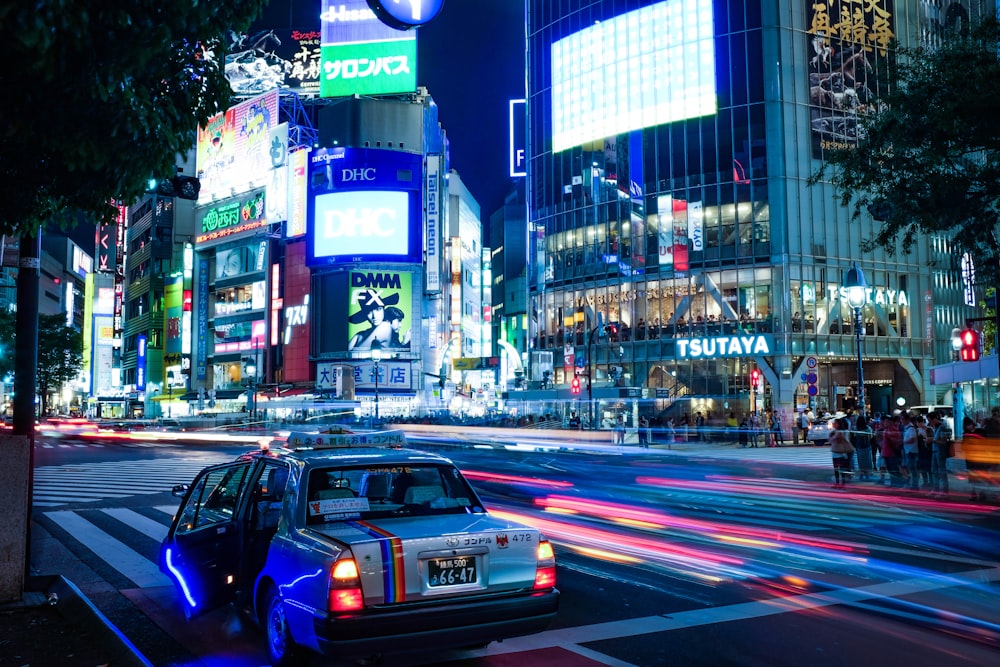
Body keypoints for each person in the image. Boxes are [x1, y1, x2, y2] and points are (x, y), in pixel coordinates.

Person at [928, 411, 954, 498]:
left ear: (934, 419)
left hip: (940, 451)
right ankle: (936, 489)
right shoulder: (936, 427)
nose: (930, 423)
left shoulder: (942, 427)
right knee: (934, 471)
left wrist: (933, 440)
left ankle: (944, 491)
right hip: (935, 451)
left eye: (930, 420)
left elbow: (944, 442)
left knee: (941, 471)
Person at [829, 417, 855, 487]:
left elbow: (832, 439)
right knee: (837, 469)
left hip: (840, 452)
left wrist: (832, 435)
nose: (834, 424)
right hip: (835, 451)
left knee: (840, 468)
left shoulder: (840, 432)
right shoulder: (836, 431)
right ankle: (839, 483)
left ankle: (841, 483)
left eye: (835, 423)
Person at [901, 411, 920, 490]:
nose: (901, 421)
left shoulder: (911, 428)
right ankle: (913, 484)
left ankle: (915, 485)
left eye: (902, 420)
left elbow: (912, 439)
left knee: (913, 468)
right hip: (908, 450)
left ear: (906, 420)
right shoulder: (907, 428)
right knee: (911, 468)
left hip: (912, 451)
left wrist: (903, 442)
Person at [853, 414, 874, 480]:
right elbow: (871, 437)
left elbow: (854, 436)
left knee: (860, 461)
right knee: (867, 460)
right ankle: (867, 474)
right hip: (866, 446)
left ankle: (861, 474)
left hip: (859, 446)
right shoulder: (868, 429)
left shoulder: (856, 429)